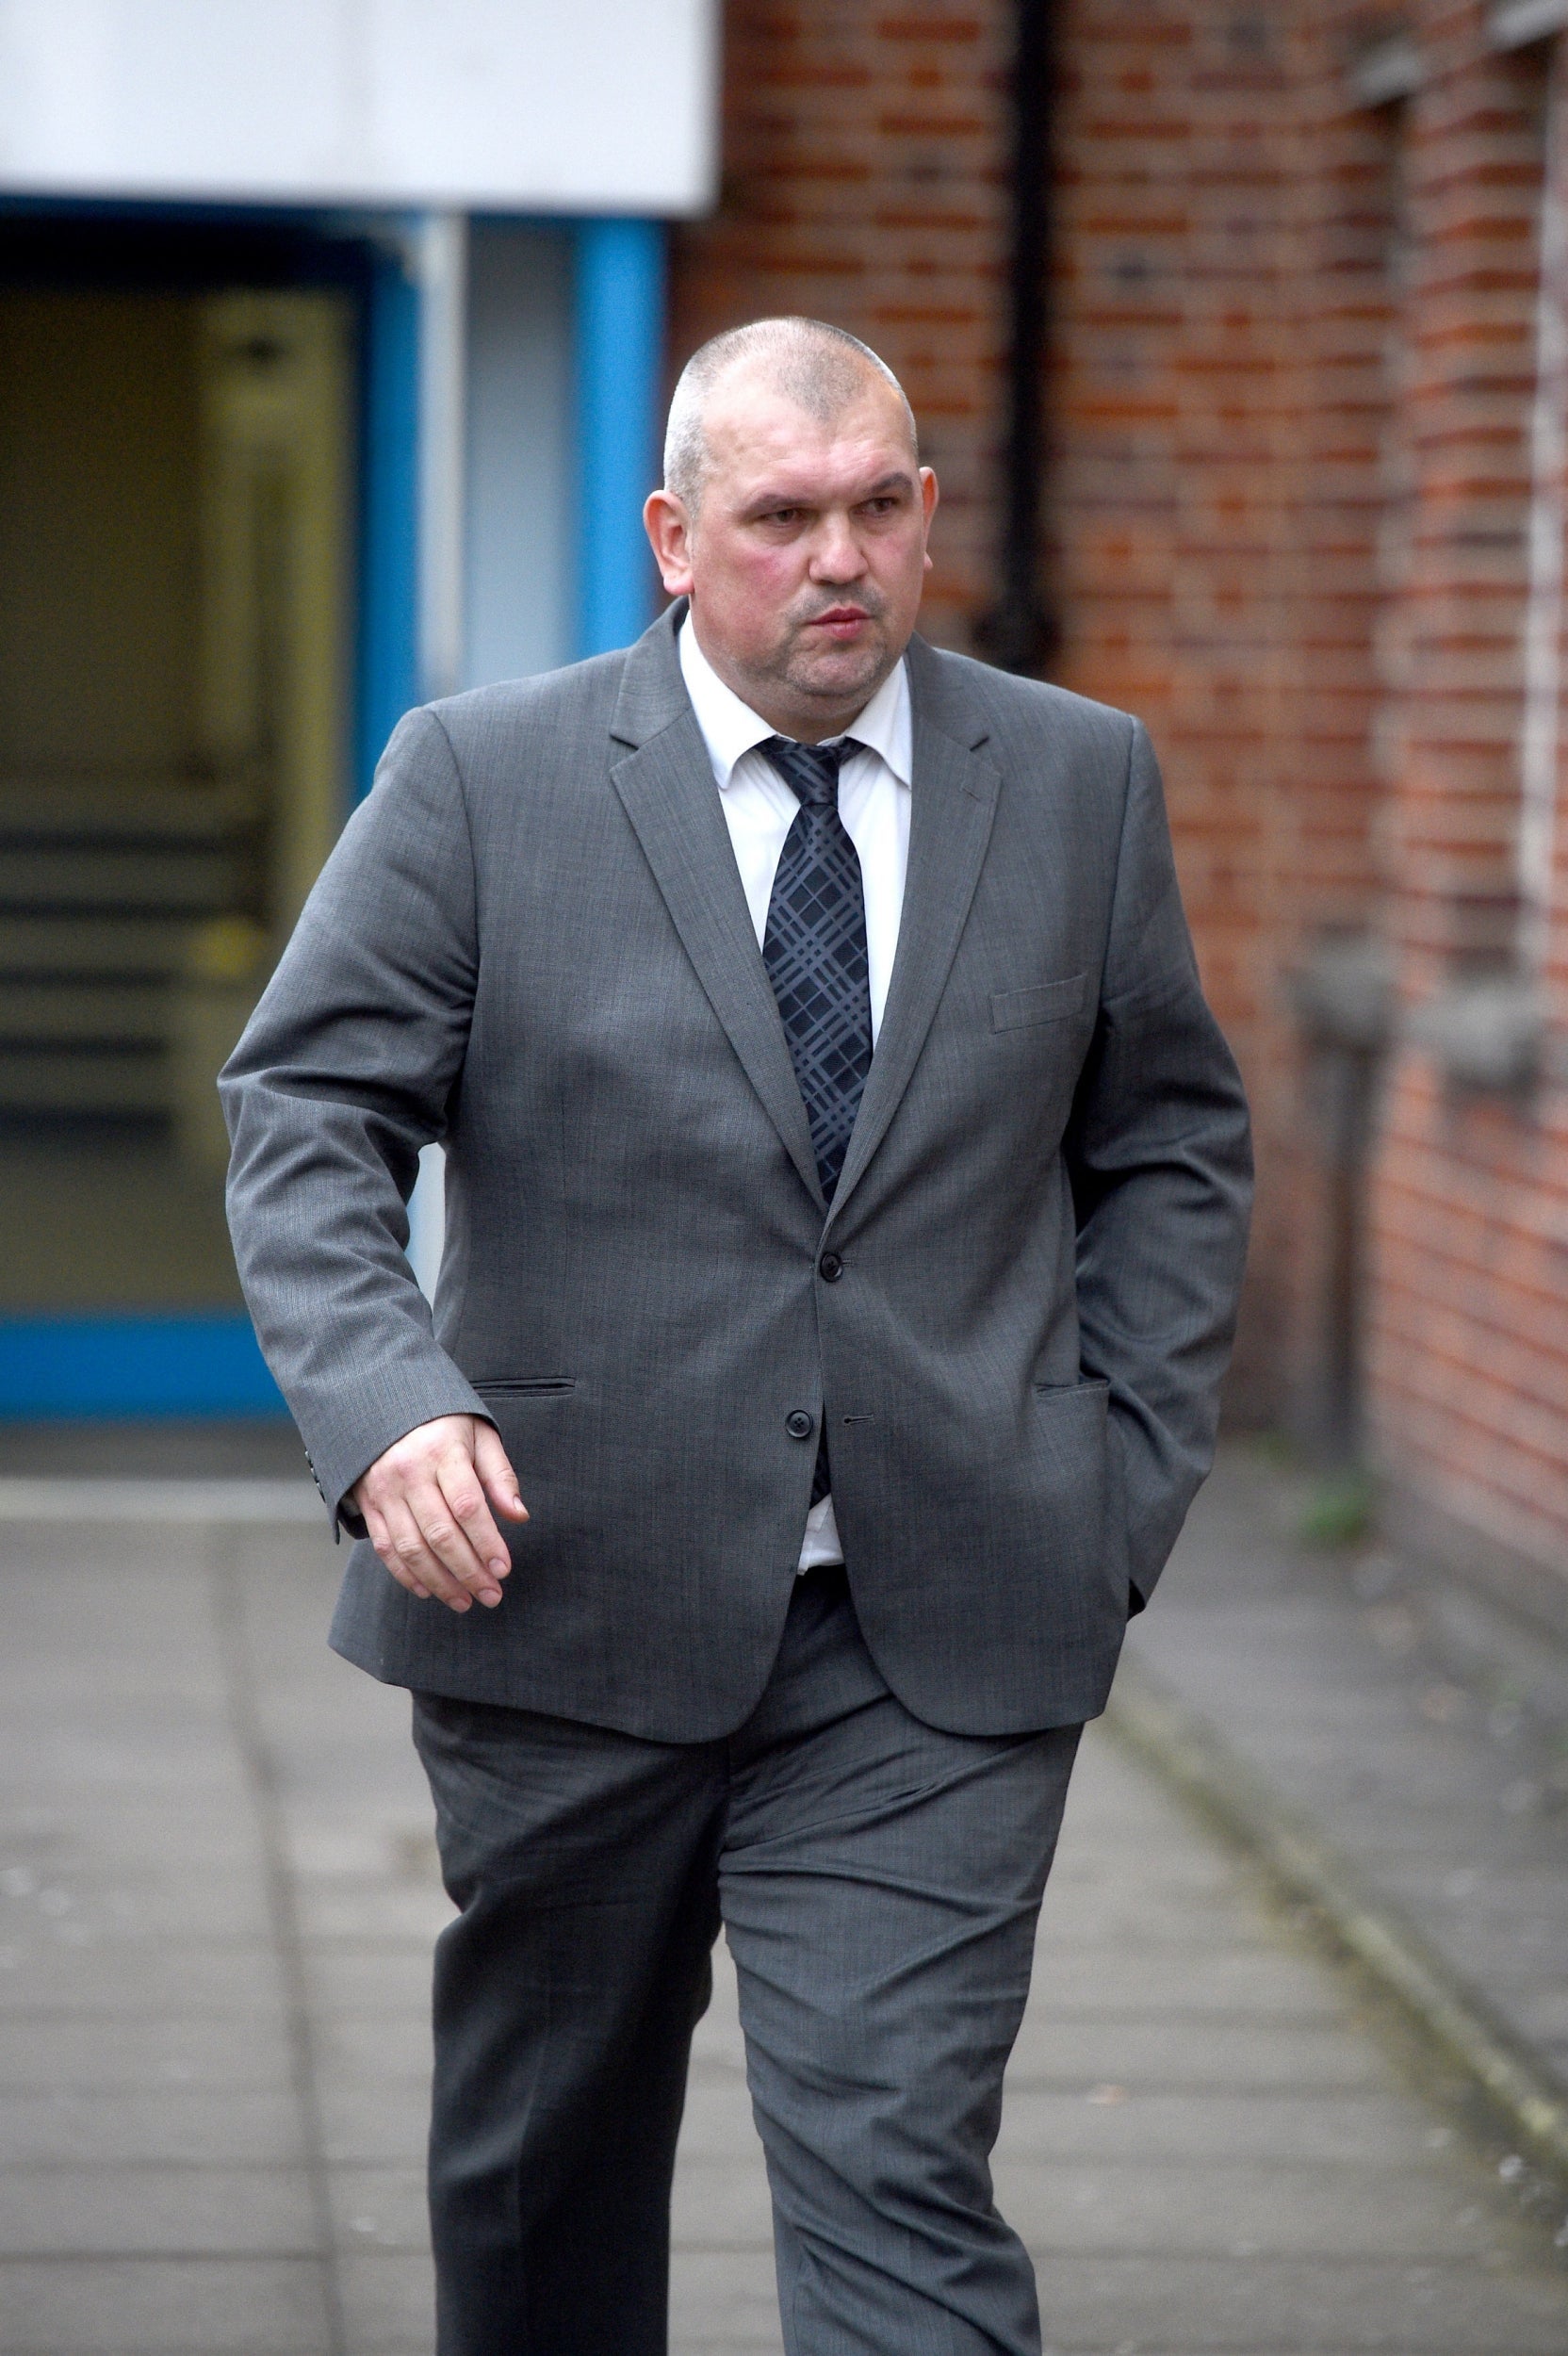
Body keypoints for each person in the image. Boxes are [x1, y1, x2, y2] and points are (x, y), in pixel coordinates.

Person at [222, 316, 1251, 2356]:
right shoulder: (482, 777)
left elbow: (1170, 1148)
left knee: (897, 2178)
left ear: (928, 509)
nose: (841, 556)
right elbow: (306, 1113)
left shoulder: (1072, 778)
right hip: (565, 1592)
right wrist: (385, 1406)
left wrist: (1113, 1480)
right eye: (783, 517)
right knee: (546, 2173)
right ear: (676, 537)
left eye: (881, 505)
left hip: (936, 1619)